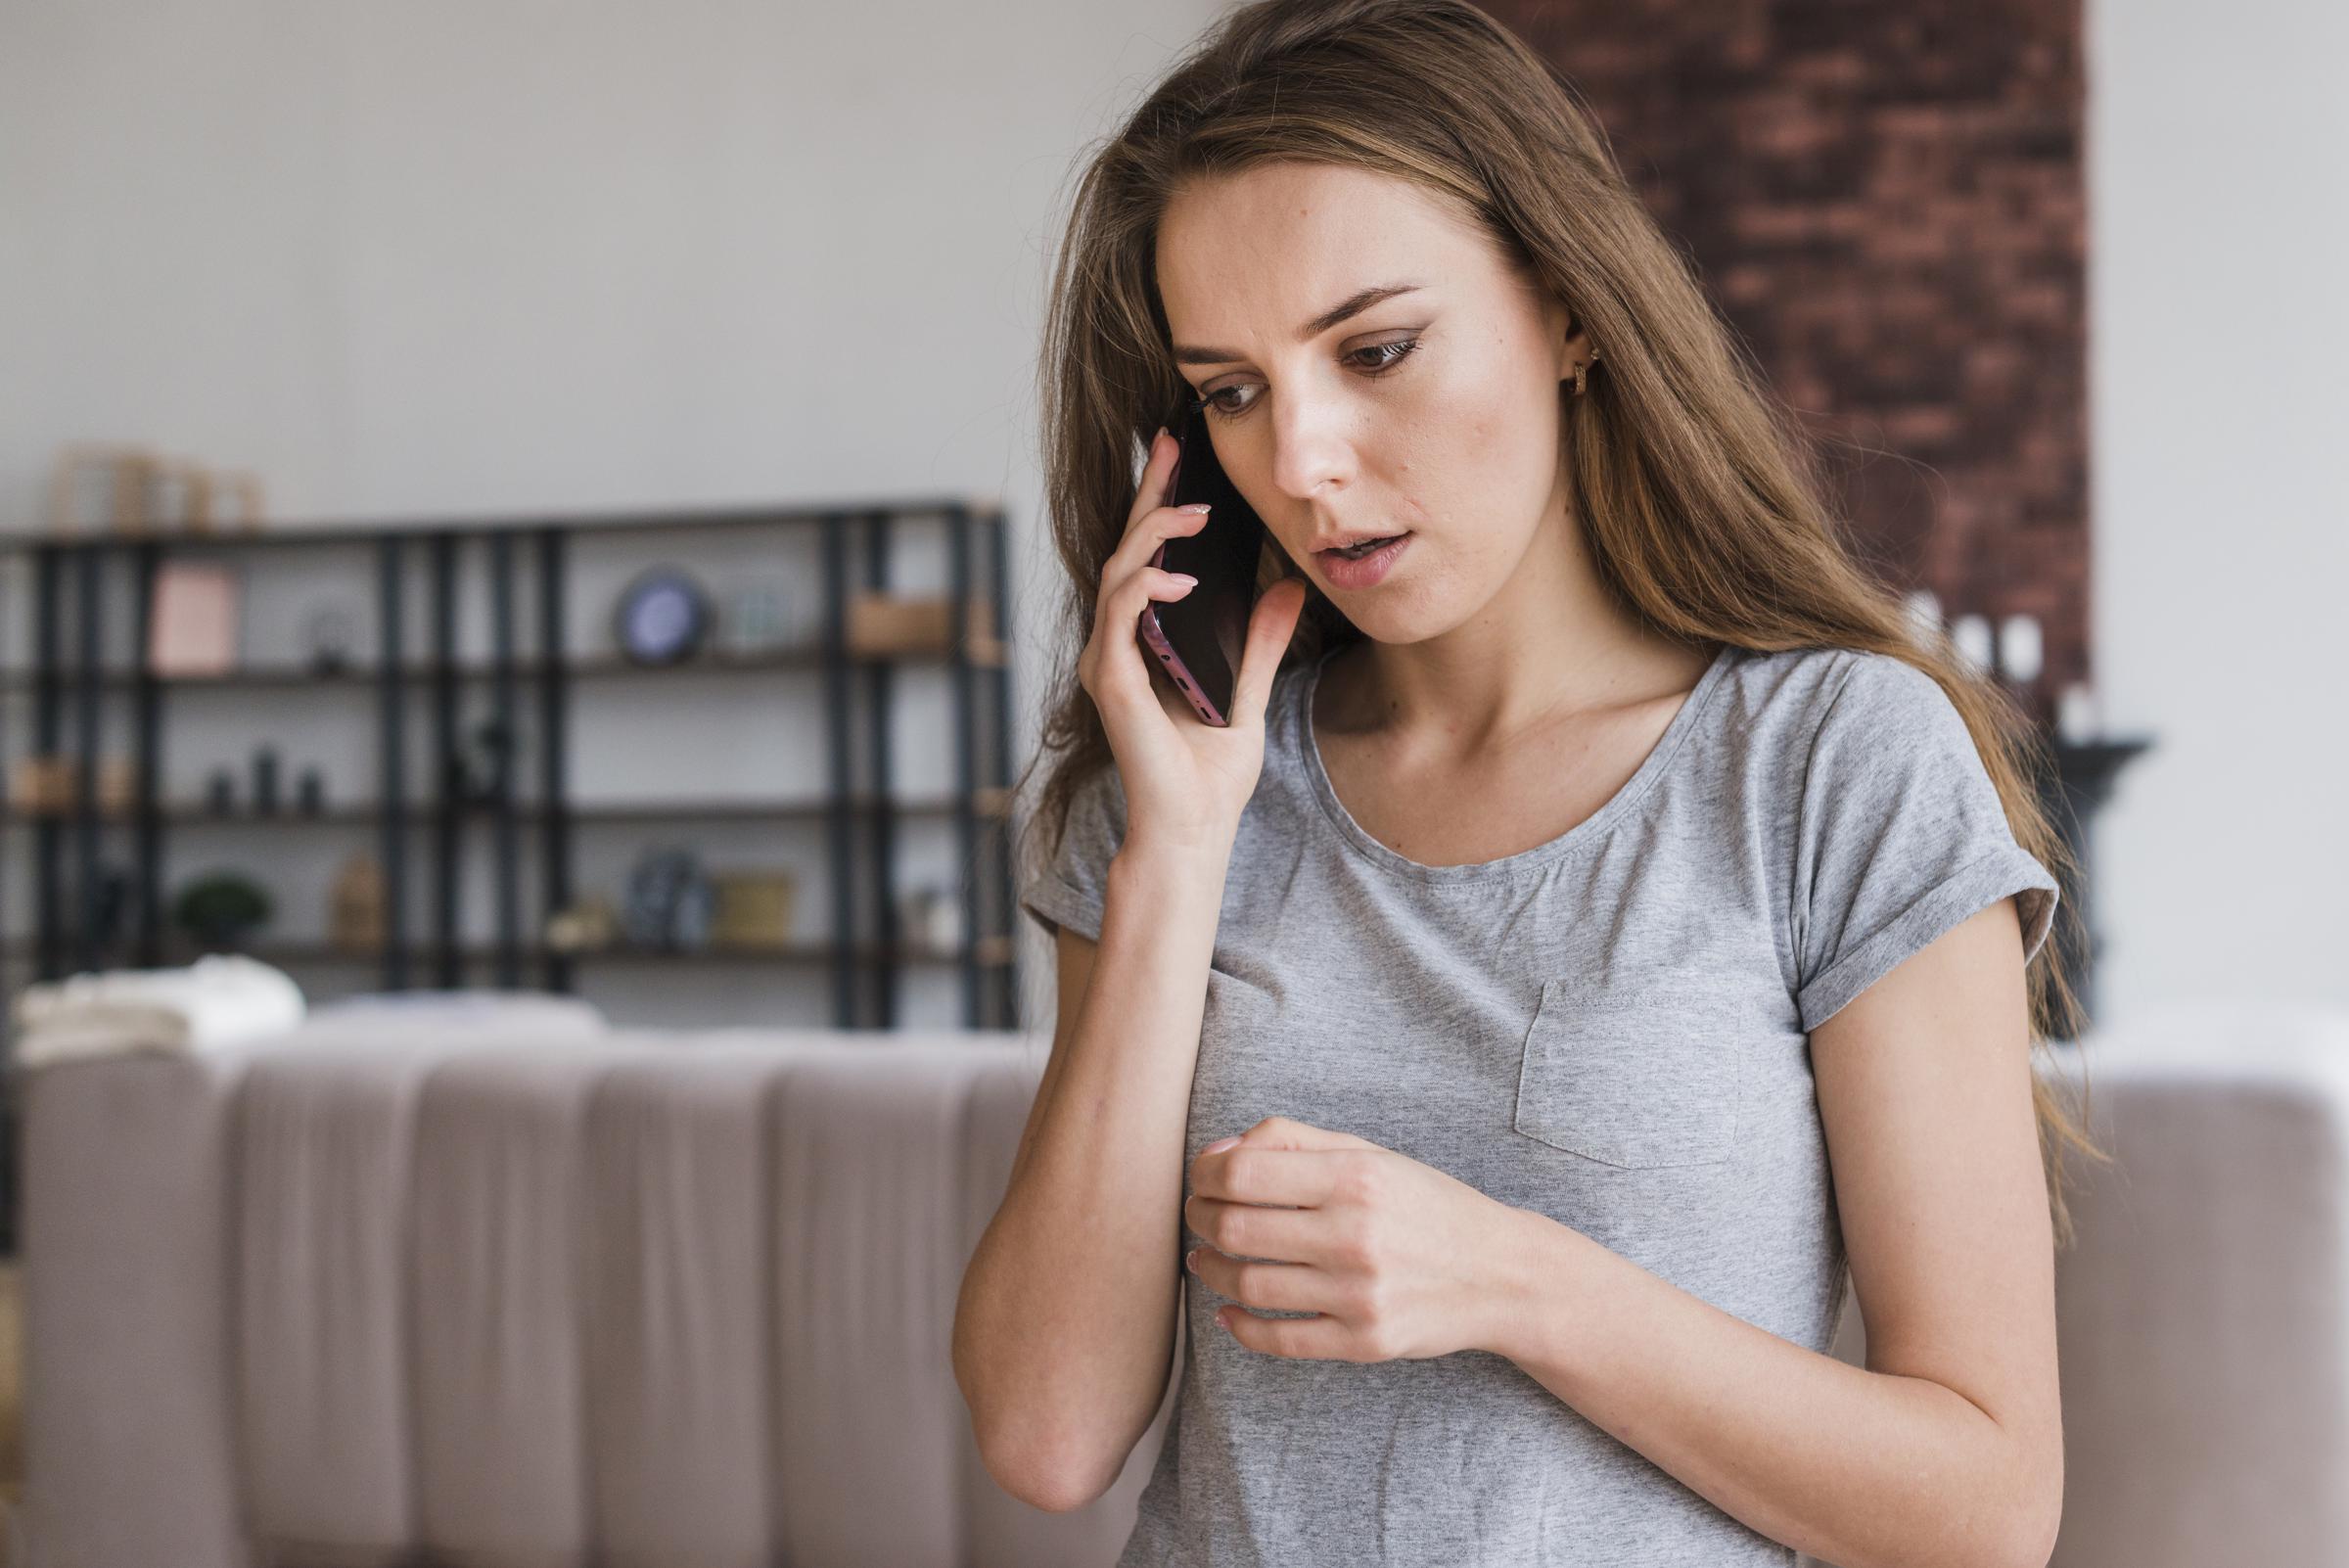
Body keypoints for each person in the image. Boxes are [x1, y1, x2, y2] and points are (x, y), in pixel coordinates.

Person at [954, 1, 2108, 1562]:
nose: (1300, 462)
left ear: (1568, 310)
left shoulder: (1833, 765)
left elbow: (1983, 1508)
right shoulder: (1181, 790)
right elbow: (1047, 1431)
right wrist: (1172, 847)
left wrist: (1509, 1278)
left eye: (1376, 350)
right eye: (1231, 389)